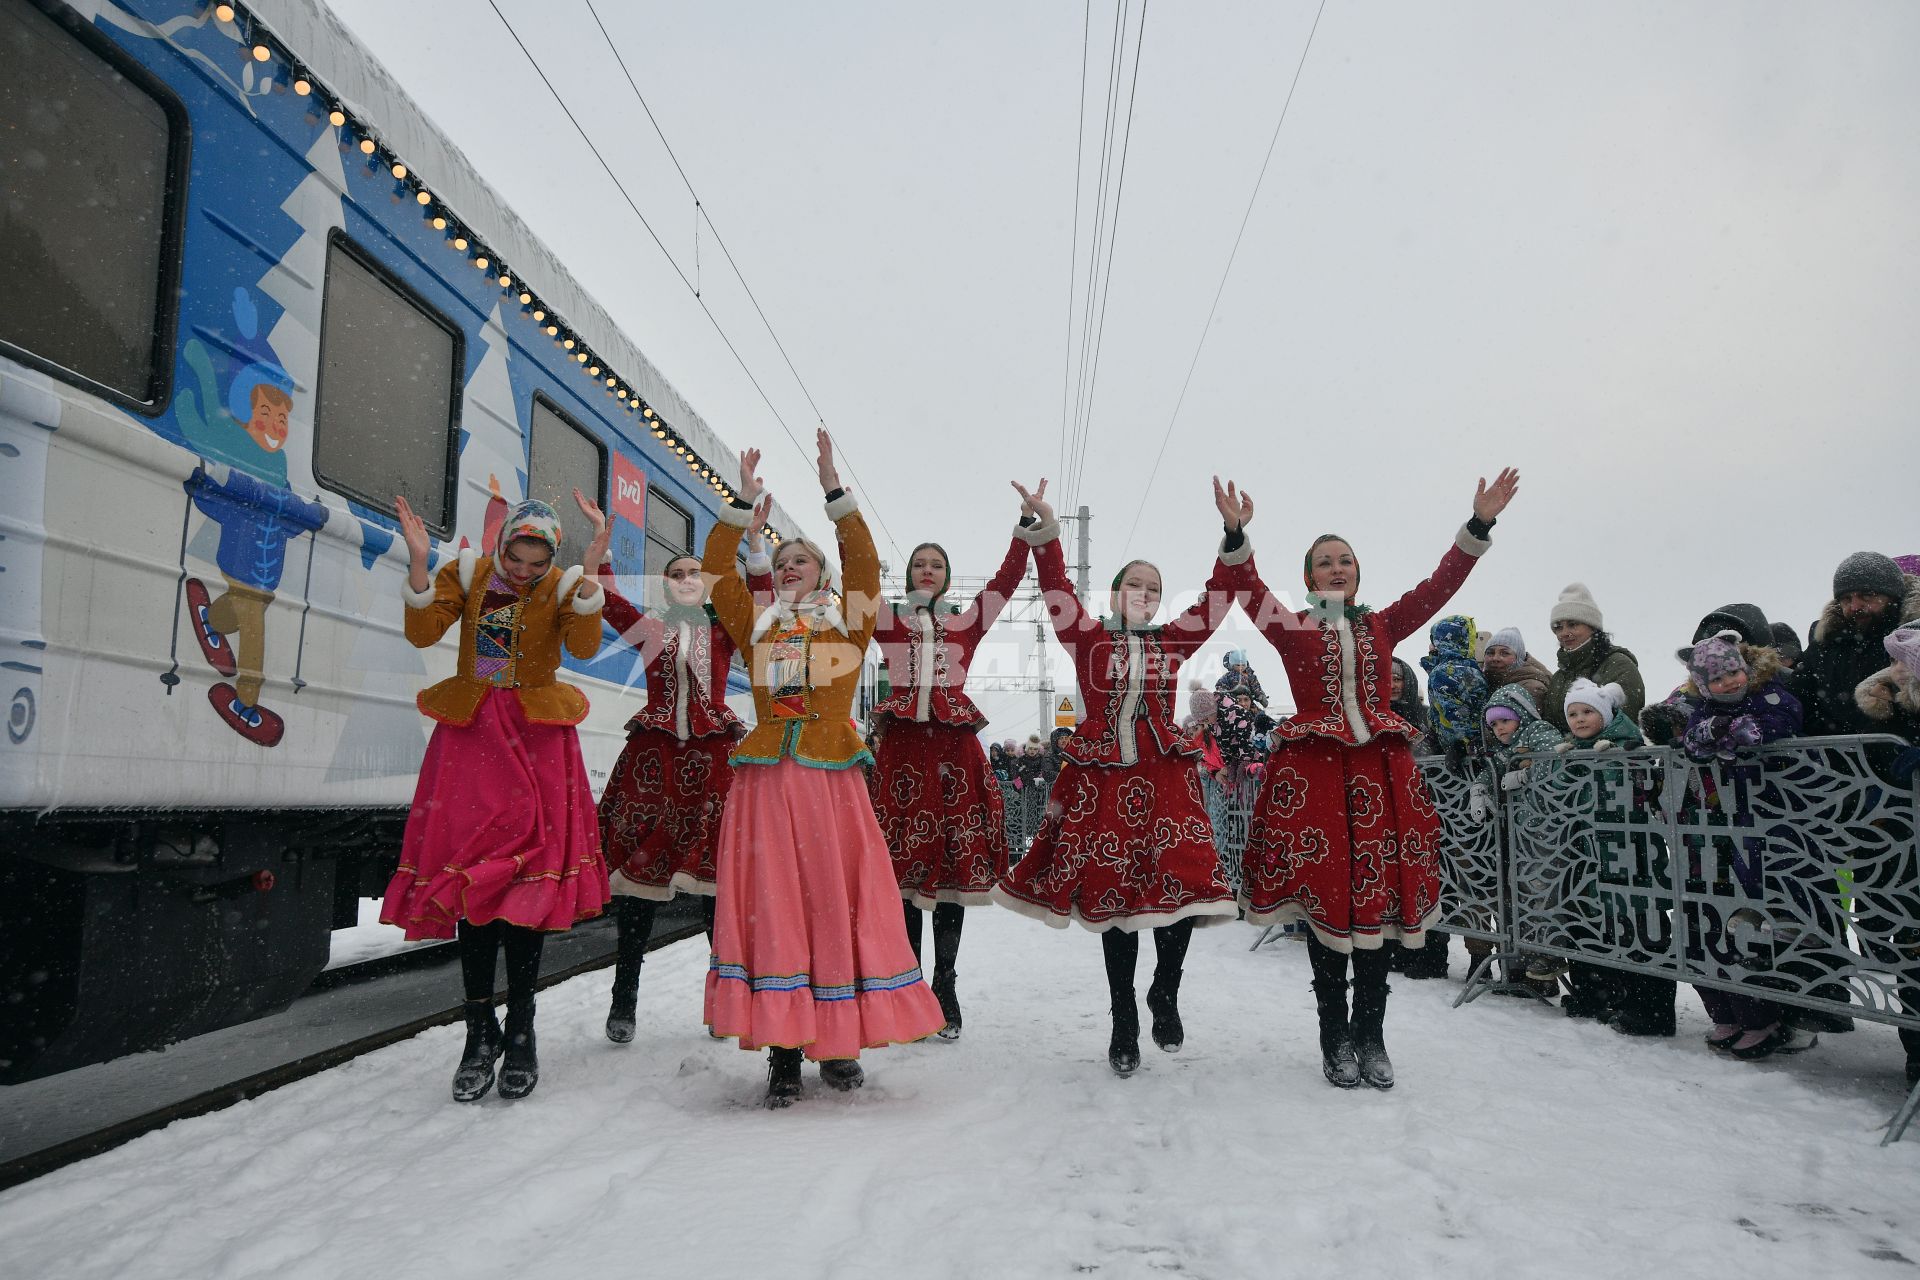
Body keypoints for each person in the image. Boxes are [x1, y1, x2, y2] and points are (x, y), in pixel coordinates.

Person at [1232, 468, 1521, 1089]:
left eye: (1346, 561)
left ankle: (1373, 1035)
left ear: (1357, 574)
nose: (1338, 569)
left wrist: (1479, 524)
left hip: (1380, 780)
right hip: (1314, 784)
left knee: (1378, 908)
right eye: (1325, 563)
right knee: (1326, 903)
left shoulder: (1383, 626)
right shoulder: (1292, 628)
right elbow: (1247, 587)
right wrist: (1236, 533)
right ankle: (1334, 1037)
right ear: (1309, 579)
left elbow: (1439, 587)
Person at [702, 436, 947, 1106]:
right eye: (780, 561)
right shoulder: (754, 626)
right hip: (766, 791)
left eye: (800, 562)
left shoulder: (847, 628)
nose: (788, 568)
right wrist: (741, 500)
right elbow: (717, 572)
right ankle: (784, 1052)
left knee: (833, 909)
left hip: (829, 789)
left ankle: (835, 1041)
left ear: (822, 576)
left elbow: (865, 567)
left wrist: (835, 491)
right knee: (777, 913)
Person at [994, 478, 1248, 1076]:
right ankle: (1123, 1017)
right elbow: (1055, 588)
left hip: (1167, 784)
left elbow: (1221, 592)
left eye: (1154, 587)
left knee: (1182, 892)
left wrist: (1234, 535)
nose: (1145, 593)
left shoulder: (1176, 640)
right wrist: (1047, 529)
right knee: (1116, 900)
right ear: (1115, 592)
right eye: (1135, 583)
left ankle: (1165, 988)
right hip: (1109, 786)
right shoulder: (1088, 639)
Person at [383, 491, 612, 1102]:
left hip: (536, 742)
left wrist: (589, 574)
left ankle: (522, 1028)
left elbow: (584, 649)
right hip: (473, 741)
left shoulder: (563, 587)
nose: (526, 570)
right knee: (469, 884)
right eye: (518, 556)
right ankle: (478, 1030)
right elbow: (421, 630)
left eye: (539, 562)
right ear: (504, 541)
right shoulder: (468, 574)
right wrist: (418, 562)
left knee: (526, 888)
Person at [593, 530, 770, 1044]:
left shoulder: (724, 631)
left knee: (716, 887)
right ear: (667, 587)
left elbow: (759, 601)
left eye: (696, 573)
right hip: (655, 764)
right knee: (635, 886)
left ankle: (723, 1001)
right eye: (676, 574)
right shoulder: (650, 630)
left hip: (712, 763)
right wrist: (602, 549)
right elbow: (609, 600)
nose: (687, 580)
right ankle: (623, 1000)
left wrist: (755, 547)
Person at [867, 518, 1032, 1041]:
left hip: (953, 760)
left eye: (936, 565)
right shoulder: (888, 621)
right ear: (908, 575)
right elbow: (856, 580)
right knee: (904, 878)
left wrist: (1022, 534)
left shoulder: (965, 625)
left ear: (948, 577)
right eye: (920, 564)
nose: (928, 571)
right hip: (902, 762)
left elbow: (1005, 585)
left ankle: (945, 982)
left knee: (950, 875)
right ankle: (909, 983)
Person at [1665, 631, 1806, 1059]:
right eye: (1718, 680)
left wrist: (1729, 734)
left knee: (1751, 919)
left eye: (1734, 673)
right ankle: (1725, 1011)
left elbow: (1772, 729)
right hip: (1715, 830)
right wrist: (1714, 732)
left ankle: (1762, 1017)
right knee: (1705, 921)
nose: (1730, 683)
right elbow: (1693, 744)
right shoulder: (1704, 709)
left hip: (1770, 822)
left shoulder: (1772, 695)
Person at [1549, 678, 1676, 1036]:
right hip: (1591, 854)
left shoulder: (1628, 745)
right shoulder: (1571, 750)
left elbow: (1644, 791)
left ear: (1606, 713)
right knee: (1598, 924)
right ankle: (1603, 995)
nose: (1579, 719)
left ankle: (1652, 1010)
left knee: (1641, 926)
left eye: (1588, 711)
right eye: (1572, 713)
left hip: (1632, 853)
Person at [1542, 584, 1646, 734]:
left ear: (1593, 627)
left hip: (1611, 756)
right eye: (1558, 627)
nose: (1564, 633)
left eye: (1572, 625)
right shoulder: (1559, 677)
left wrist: (1581, 747)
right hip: (1567, 756)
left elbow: (1625, 721)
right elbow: (1551, 725)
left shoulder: (1618, 664)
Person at [1481, 626, 1551, 707]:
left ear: (1519, 658)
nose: (1495, 658)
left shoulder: (1531, 688)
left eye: (1504, 653)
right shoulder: (1485, 681)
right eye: (1490, 652)